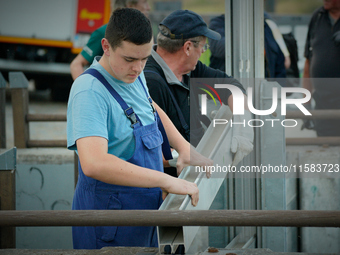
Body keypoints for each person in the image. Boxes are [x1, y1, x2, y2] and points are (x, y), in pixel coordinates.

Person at [67, 8, 212, 249]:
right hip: (109, 223)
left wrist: (185, 149)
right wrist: (165, 181)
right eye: (129, 59)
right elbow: (94, 163)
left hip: (143, 214)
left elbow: (151, 108)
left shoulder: (134, 75)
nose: (138, 67)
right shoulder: (89, 91)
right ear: (106, 46)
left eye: (144, 58)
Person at [144, 10, 253, 177]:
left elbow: (233, 87)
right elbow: (145, 151)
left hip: (194, 175)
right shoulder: (150, 82)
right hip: (167, 189)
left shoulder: (191, 70)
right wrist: (188, 156)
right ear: (188, 47)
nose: (203, 52)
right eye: (203, 46)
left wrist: (243, 128)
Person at [70, 0, 150, 80]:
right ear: (130, 5)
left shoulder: (145, 33)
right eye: (144, 2)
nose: (148, 8)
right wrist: (85, 88)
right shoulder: (104, 32)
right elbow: (76, 64)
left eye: (144, 59)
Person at [208, 13, 287, 79]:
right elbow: (219, 48)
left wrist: (275, 90)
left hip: (262, 89)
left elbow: (279, 61)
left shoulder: (263, 25)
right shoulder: (219, 24)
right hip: (227, 89)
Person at [302, 0, 340, 136]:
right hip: (322, 102)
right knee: (324, 150)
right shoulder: (318, 16)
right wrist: (305, 106)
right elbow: (308, 61)